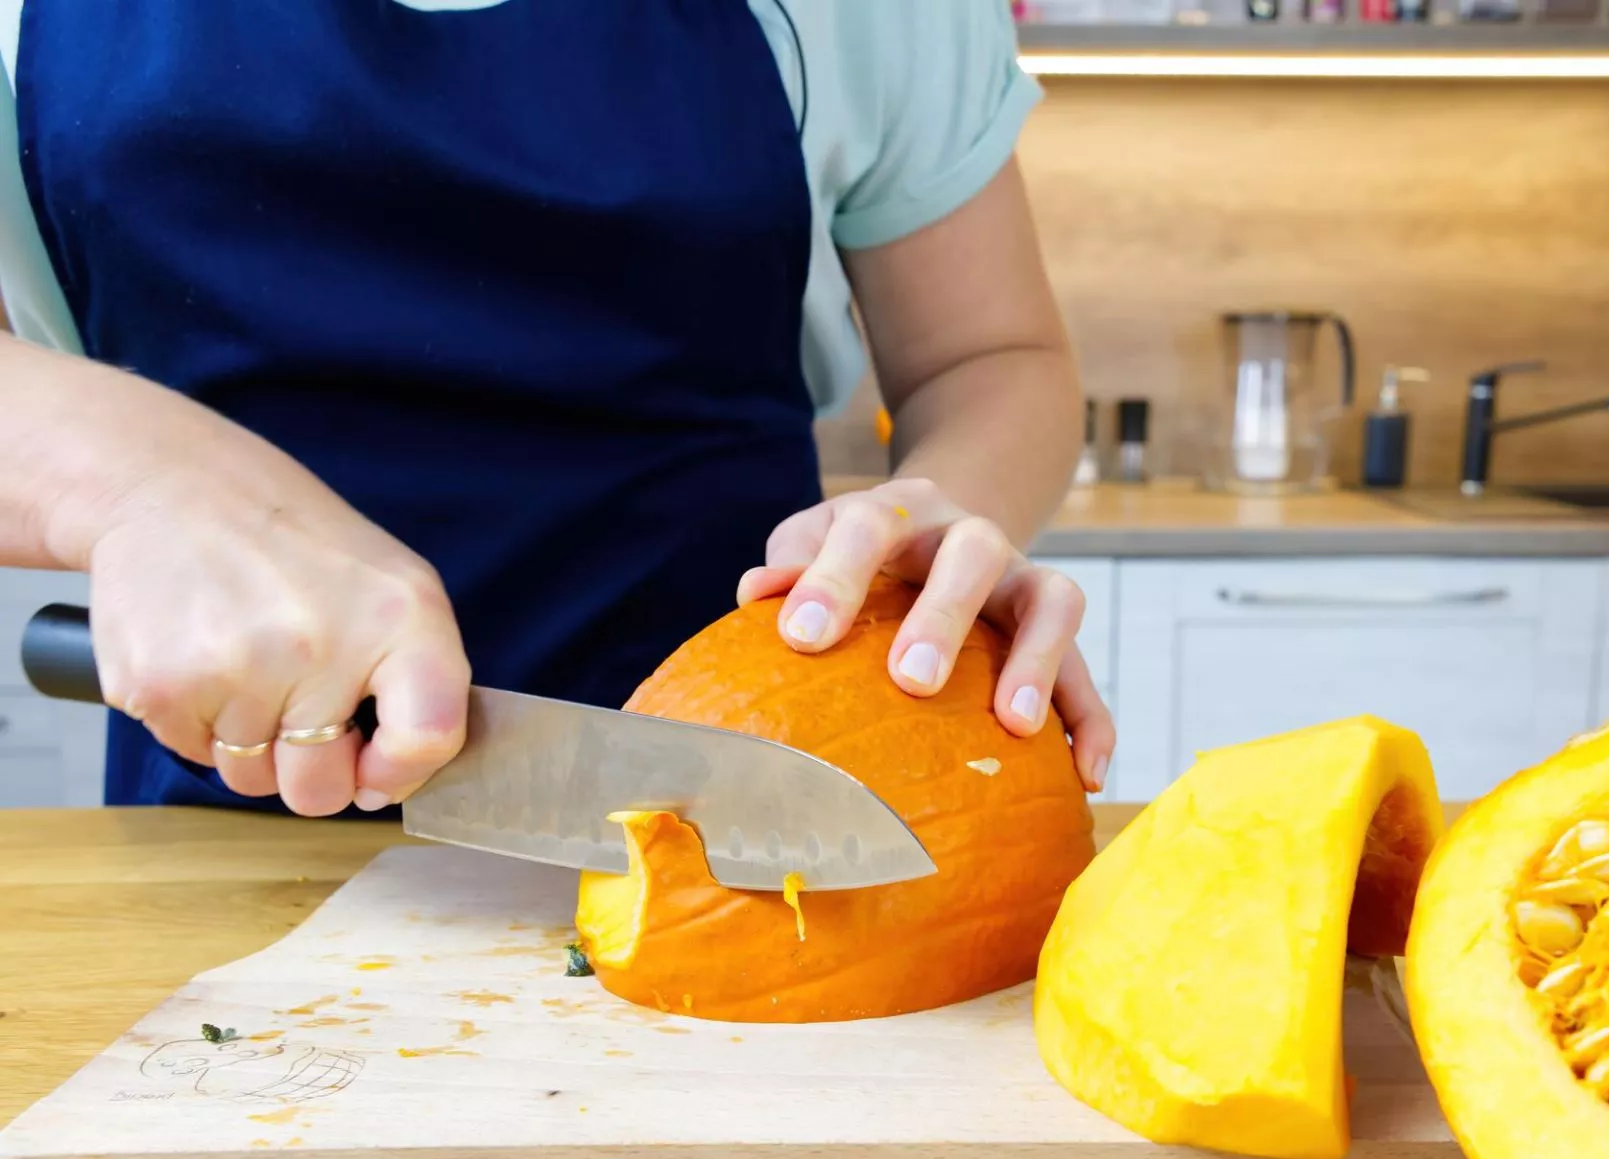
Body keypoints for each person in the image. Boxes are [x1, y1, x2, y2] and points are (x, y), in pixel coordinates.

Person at [0, 1, 1115, 817]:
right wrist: (144, 482)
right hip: (223, 799)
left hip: (735, 814)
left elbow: (991, 357)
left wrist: (938, 519)